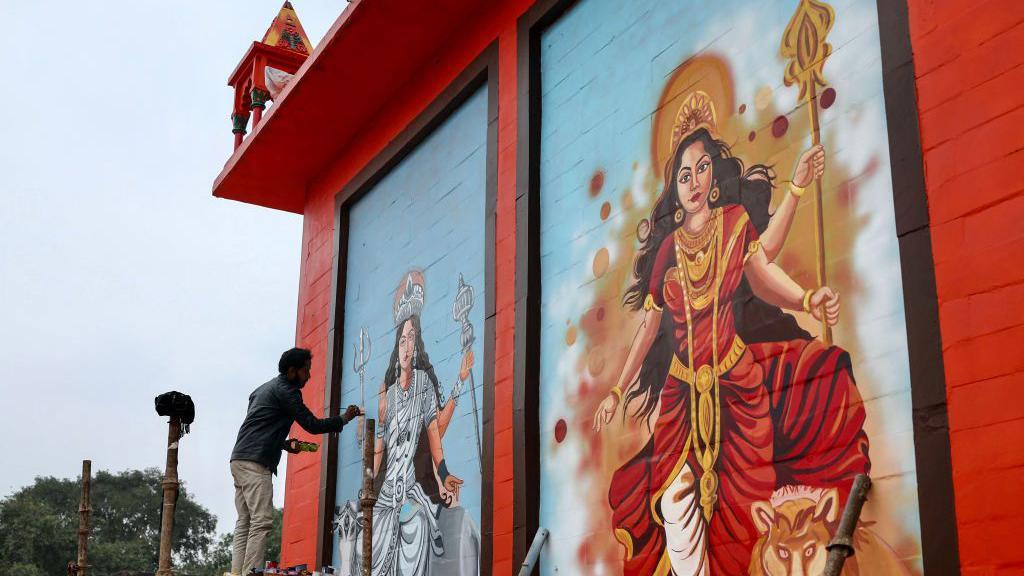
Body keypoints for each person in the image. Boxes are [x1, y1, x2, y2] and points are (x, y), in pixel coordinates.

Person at [593, 92, 870, 575]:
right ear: (675, 190)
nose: (694, 181)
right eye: (684, 175)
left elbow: (762, 273)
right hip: (681, 402)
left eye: (701, 169)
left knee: (744, 516)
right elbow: (648, 328)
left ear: (713, 176)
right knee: (677, 509)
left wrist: (807, 297)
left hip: (737, 391)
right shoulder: (668, 253)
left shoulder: (734, 222)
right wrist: (617, 389)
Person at [228, 347, 361, 575]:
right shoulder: (287, 391)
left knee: (245, 521)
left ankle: (237, 571)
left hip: (239, 458)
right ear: (292, 372)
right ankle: (250, 573)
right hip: (256, 462)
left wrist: (284, 443)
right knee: (261, 521)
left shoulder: (261, 390)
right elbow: (312, 424)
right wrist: (343, 418)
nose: (309, 376)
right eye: (305, 371)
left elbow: (259, 426)